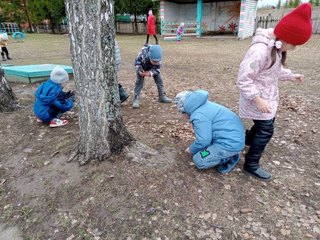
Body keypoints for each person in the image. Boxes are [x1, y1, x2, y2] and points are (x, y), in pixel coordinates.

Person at [237, 3, 312, 181]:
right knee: (266, 129)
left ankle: (247, 140)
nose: (293, 49)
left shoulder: (275, 48)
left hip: (267, 97)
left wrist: (290, 75)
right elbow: (243, 78)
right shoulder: (260, 51)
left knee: (264, 124)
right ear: (285, 38)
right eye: (293, 46)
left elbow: (273, 70)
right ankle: (251, 164)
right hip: (257, 97)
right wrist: (257, 99)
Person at [174, 90, 245, 173]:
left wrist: (191, 149)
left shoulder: (199, 116)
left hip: (228, 145)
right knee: (202, 150)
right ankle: (228, 153)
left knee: (198, 159)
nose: (183, 116)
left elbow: (203, 141)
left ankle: (228, 158)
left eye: (182, 113)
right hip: (234, 139)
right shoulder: (204, 105)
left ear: (184, 109)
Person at [132, 44, 172, 109]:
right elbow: (137, 62)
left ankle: (162, 96)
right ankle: (136, 98)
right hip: (142, 67)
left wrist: (150, 73)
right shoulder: (143, 55)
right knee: (139, 82)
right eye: (154, 61)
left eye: (157, 61)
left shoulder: (158, 61)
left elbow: (157, 69)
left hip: (153, 69)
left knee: (160, 81)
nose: (156, 63)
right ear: (149, 57)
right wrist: (139, 70)